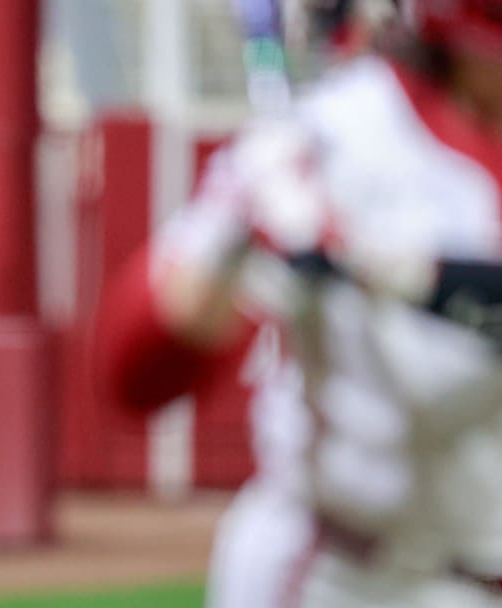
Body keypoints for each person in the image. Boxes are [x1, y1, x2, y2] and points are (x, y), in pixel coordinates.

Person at [96, 1, 502, 606]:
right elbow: (135, 373)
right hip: (348, 574)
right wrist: (237, 237)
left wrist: (390, 269)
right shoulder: (340, 135)